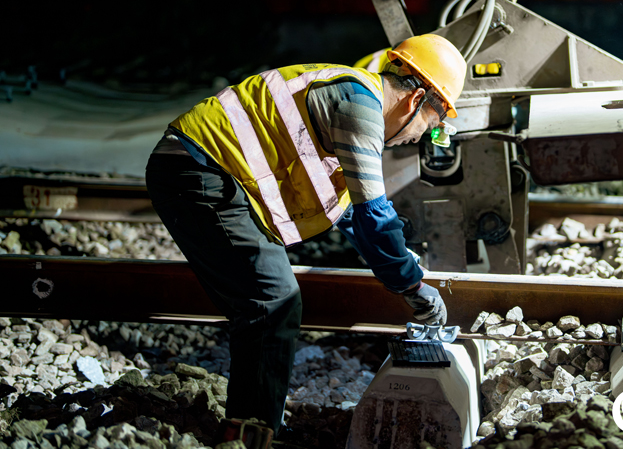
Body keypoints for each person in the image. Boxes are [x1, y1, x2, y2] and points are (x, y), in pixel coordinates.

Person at [144, 33, 467, 436]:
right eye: (431, 127)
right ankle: (249, 435)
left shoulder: (350, 99)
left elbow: (349, 214)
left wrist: (402, 267)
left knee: (267, 297)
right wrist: (413, 286)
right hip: (196, 170)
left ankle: (254, 427)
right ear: (416, 100)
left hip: (205, 172)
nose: (418, 139)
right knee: (272, 301)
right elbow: (374, 217)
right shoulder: (358, 105)